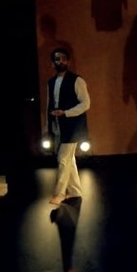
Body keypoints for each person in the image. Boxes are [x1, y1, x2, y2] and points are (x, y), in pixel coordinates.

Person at [46, 47, 91, 206]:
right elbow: (49, 104)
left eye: (63, 59)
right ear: (53, 63)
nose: (61, 62)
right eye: (57, 59)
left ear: (68, 62)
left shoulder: (77, 80)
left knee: (63, 159)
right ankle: (75, 191)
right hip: (60, 125)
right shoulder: (51, 82)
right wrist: (49, 124)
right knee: (69, 159)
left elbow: (85, 103)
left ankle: (59, 194)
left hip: (73, 126)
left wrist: (66, 113)